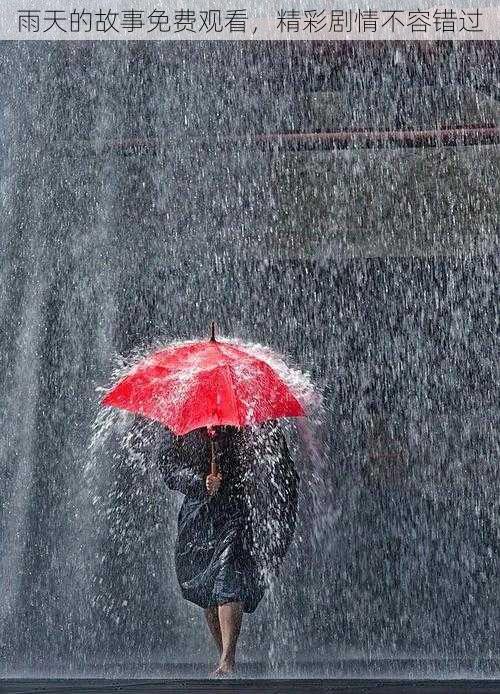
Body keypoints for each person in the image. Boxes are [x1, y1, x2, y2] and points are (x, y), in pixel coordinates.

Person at [156, 422, 299, 677]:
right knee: (206, 585)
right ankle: (224, 655)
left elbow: (273, 457)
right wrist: (201, 481)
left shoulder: (244, 418)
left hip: (235, 508)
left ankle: (227, 659)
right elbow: (168, 467)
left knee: (228, 577)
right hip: (198, 515)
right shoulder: (178, 424)